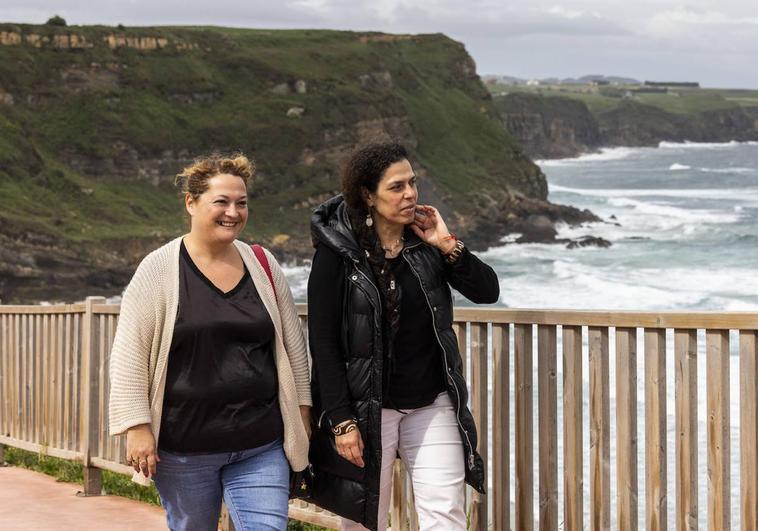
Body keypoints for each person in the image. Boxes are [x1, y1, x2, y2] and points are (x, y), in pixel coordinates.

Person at [108, 153, 312, 531]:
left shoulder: (263, 264)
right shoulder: (158, 269)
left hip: (261, 443)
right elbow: (130, 353)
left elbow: (293, 349)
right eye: (221, 202)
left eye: (241, 203)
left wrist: (301, 417)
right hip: (185, 448)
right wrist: (137, 428)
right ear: (191, 202)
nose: (232, 212)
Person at [307, 143, 500, 530]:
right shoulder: (337, 253)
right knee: (365, 520)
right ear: (368, 195)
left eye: (412, 183)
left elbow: (487, 291)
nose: (410, 193)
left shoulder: (423, 245)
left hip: (431, 403)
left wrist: (446, 245)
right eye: (397, 187)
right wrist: (341, 422)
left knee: (444, 516)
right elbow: (323, 342)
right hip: (366, 410)